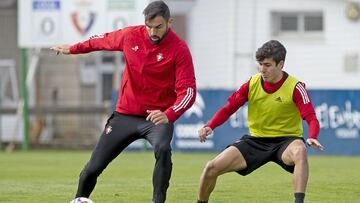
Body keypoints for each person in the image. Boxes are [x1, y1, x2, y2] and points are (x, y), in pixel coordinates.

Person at [51, 1, 196, 203]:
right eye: (149, 26)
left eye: (158, 27)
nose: (152, 32)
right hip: (125, 115)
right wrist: (74, 49)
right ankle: (79, 200)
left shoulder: (179, 49)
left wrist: (168, 114)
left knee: (163, 149)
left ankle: (158, 201)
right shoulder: (130, 36)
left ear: (169, 23)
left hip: (157, 118)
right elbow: (99, 41)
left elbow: (188, 91)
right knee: (93, 167)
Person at [196, 40, 324, 203]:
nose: (262, 69)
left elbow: (311, 117)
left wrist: (313, 136)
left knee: (300, 151)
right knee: (211, 168)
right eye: (260, 64)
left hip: (286, 141)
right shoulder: (252, 83)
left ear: (281, 64)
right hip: (256, 140)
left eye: (268, 65)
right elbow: (228, 108)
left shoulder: (296, 87)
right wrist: (210, 125)